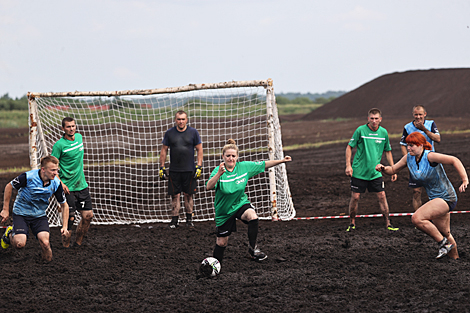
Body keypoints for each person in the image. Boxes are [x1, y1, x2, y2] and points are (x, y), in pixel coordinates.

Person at [376, 132, 468, 259]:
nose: (409, 148)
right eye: (408, 145)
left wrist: (464, 180)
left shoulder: (430, 156)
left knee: (417, 218)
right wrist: (383, 168)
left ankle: (443, 244)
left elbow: (454, 160)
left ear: (421, 145)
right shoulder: (408, 158)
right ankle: (455, 260)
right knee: (445, 232)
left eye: (412, 145)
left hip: (446, 197)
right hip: (435, 199)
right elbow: (392, 170)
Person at [205, 139, 292, 267]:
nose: (230, 158)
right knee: (222, 242)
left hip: (240, 203)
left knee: (252, 216)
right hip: (224, 211)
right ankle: (215, 266)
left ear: (237, 157)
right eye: (228, 156)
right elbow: (208, 186)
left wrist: (282, 161)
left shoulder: (244, 167)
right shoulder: (219, 170)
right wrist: (218, 174)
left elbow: (264, 164)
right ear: (223, 157)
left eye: (233, 156)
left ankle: (253, 250)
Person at [1, 156, 69, 262]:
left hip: (39, 215)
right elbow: (9, 186)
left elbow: (64, 205)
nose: (56, 173)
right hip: (21, 213)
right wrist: (5, 209)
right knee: (20, 244)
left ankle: (48, 268)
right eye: (53, 170)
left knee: (45, 243)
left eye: (57, 170)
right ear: (43, 169)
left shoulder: (56, 183)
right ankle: (9, 234)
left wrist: (65, 226)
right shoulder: (28, 177)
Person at [345, 108, 399, 232]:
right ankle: (352, 223)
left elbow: (388, 151)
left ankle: (388, 223)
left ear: (380, 119)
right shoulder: (360, 130)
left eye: (376, 119)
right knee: (355, 197)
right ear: (368, 119)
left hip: (375, 172)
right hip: (359, 171)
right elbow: (349, 147)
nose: (374, 121)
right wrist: (348, 165)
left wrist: (393, 169)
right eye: (371, 118)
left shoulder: (383, 132)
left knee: (382, 195)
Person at [51, 117, 93, 248]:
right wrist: (61, 184)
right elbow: (52, 167)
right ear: (63, 129)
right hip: (67, 188)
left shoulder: (79, 138)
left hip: (81, 185)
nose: (71, 129)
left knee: (88, 216)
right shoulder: (59, 145)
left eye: (73, 126)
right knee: (70, 219)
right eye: (68, 127)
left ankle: (78, 244)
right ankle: (66, 248)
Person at [159, 110, 203, 229]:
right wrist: (162, 167)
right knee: (175, 195)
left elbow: (199, 149)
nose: (181, 121)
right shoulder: (169, 133)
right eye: (179, 119)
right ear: (175, 120)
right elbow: (164, 150)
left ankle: (189, 220)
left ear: (186, 120)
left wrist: (199, 166)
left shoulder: (193, 132)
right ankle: (174, 221)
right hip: (174, 170)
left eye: (183, 119)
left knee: (188, 195)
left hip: (189, 169)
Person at [400, 105, 441, 211]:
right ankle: (418, 219)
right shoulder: (407, 127)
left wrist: (424, 129)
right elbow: (403, 144)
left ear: (425, 114)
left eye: (420, 114)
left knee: (434, 191)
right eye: (416, 114)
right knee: (416, 191)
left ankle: (434, 216)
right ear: (413, 114)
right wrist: (408, 159)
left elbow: (438, 139)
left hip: (430, 162)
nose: (418, 117)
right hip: (415, 163)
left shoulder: (430, 124)